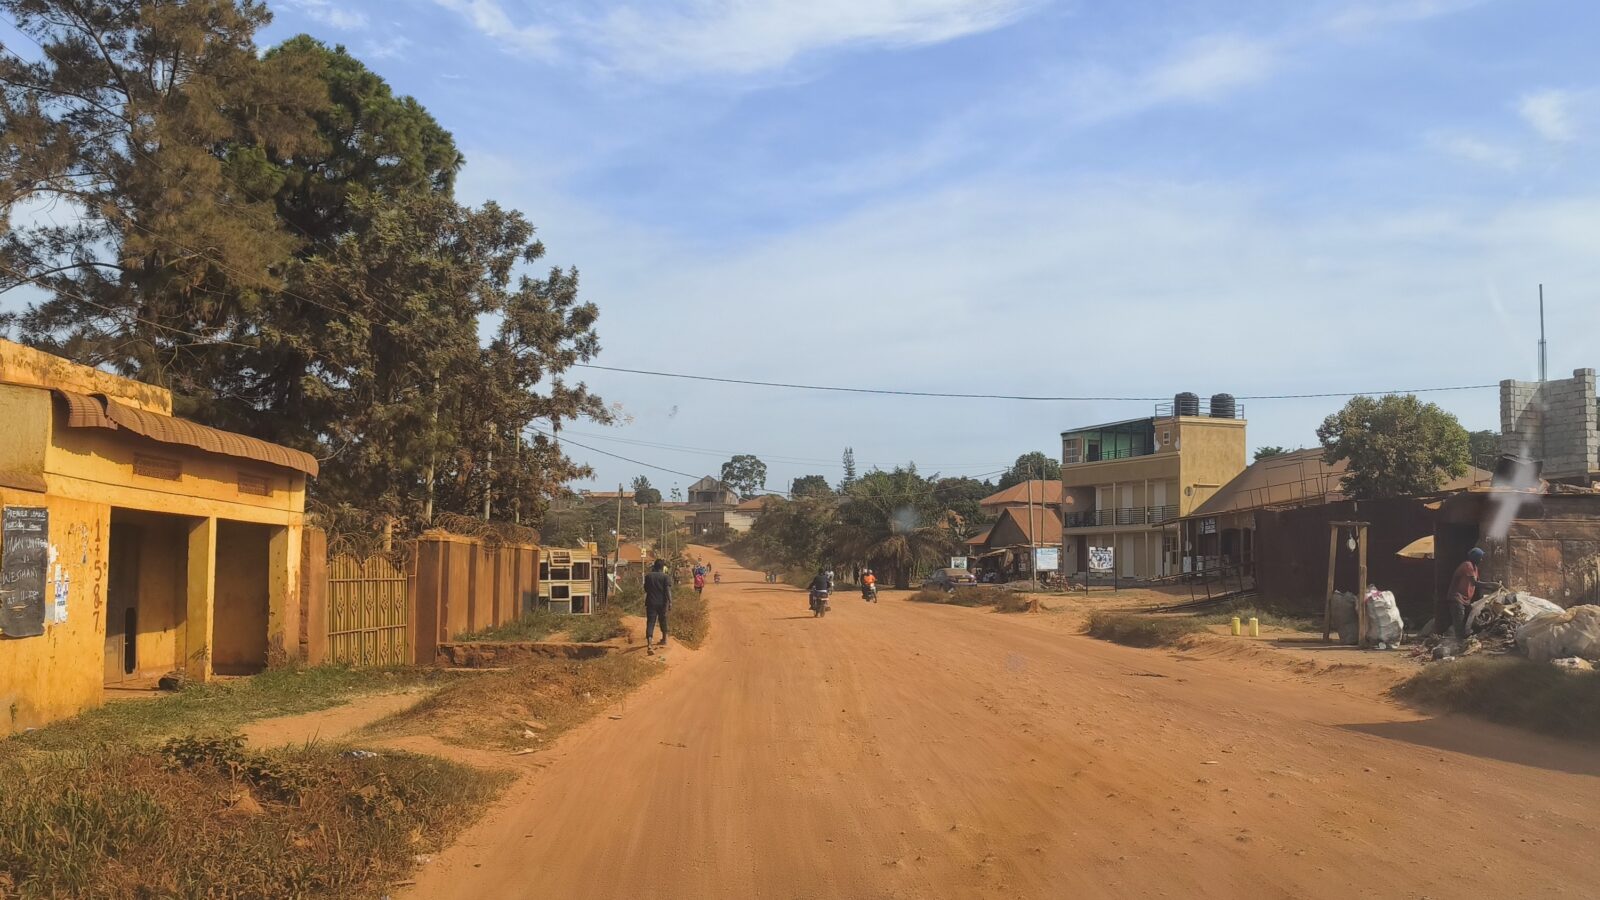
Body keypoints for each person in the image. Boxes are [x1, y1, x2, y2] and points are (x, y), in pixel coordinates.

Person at [1442, 547, 1486, 641]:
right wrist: (1492, 585)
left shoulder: (1475, 568)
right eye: (1480, 557)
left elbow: (1478, 582)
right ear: (1475, 557)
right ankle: (1458, 644)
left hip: (1466, 600)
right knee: (1459, 622)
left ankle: (1463, 640)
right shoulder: (1467, 565)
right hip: (1457, 598)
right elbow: (1475, 583)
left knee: (1469, 620)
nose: (1481, 560)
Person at [644, 559, 672, 654]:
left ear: (654, 566)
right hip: (662, 603)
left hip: (651, 602)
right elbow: (668, 590)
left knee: (651, 622)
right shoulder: (665, 577)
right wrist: (670, 602)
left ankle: (649, 644)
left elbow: (646, 589)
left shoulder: (648, 576)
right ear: (663, 567)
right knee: (663, 619)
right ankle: (664, 639)